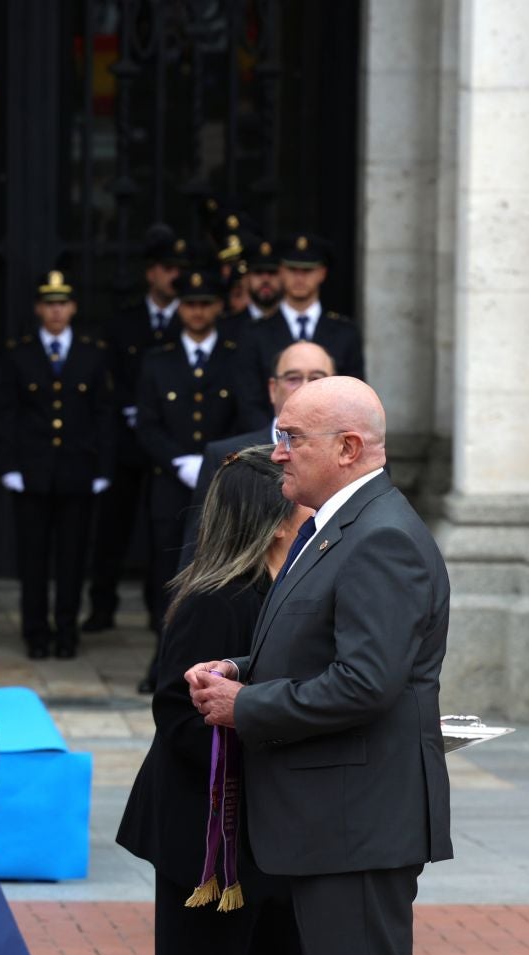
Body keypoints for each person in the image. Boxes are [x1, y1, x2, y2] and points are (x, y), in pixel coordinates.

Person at [189, 376, 450, 955]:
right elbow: (325, 649)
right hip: (335, 820)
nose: (275, 450)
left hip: (358, 823)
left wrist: (248, 706)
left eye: (292, 435)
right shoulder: (338, 526)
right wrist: (242, 669)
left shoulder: (378, 536)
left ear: (350, 446)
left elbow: (366, 683)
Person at [117, 445, 334, 955]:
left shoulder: (304, 583)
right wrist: (263, 728)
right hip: (208, 831)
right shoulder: (214, 598)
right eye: (291, 492)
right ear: (267, 515)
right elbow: (178, 714)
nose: (306, 501)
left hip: (283, 825)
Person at [132, 262, 263, 691]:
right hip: (170, 482)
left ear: (218, 308)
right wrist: (178, 461)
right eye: (190, 305)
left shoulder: (234, 357)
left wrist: (220, 463)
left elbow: (246, 416)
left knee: (216, 568)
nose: (197, 313)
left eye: (206, 304)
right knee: (164, 571)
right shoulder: (158, 360)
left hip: (223, 485)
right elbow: (146, 422)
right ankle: (162, 657)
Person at [0, 269, 112, 659]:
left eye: (62, 303)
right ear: (38, 308)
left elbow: (102, 415)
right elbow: (7, 414)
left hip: (78, 472)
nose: (56, 311)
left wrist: (102, 469)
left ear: (73, 307)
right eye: (49, 304)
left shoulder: (92, 353)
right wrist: (10, 465)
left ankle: (66, 633)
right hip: (32, 472)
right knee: (33, 560)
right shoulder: (20, 353)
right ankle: (35, 632)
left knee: (71, 560)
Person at [89, 225, 187, 634]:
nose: (174, 276)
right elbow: (107, 373)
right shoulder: (126, 320)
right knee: (113, 526)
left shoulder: (191, 317)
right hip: (127, 441)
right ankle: (101, 606)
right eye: (167, 268)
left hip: (171, 442)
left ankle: (158, 612)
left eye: (179, 268)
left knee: (165, 532)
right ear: (151, 272)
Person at [180, 340, 337, 562]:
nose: (305, 387)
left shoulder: (355, 457)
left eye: (317, 379)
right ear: (273, 389)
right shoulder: (226, 457)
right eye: (293, 379)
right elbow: (198, 551)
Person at [244, 233, 365, 382]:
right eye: (292, 269)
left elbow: (353, 393)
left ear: (322, 273)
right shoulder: (256, 333)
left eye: (307, 270)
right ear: (281, 271)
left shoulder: (346, 333)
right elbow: (249, 398)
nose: (299, 278)